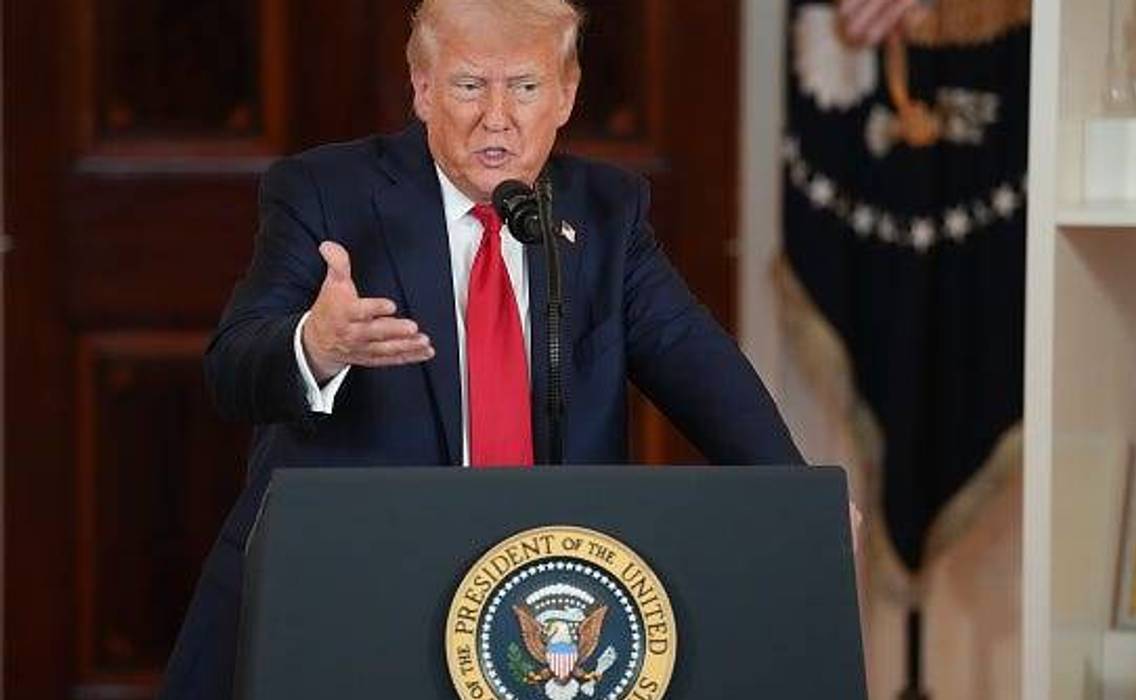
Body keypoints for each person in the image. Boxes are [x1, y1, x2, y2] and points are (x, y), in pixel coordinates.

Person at [159, 1, 803, 697]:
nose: (496, 117)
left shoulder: (605, 211)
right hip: (350, 590)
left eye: (524, 87)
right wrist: (315, 345)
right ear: (422, 88)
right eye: (469, 85)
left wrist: (795, 497)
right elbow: (232, 368)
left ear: (566, 94)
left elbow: (689, 352)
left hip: (531, 596)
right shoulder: (327, 193)